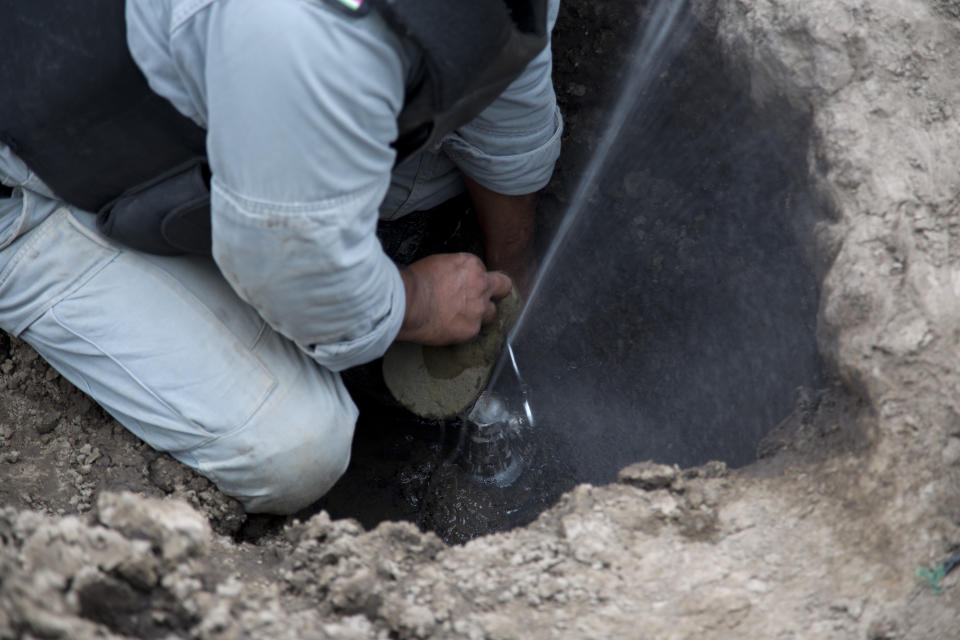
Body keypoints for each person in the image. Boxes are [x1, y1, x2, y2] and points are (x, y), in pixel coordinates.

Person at [0, 0, 562, 514]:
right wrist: (418, 302)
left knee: (395, 153)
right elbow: (292, 264)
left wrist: (513, 263)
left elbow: (507, 67)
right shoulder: (297, 32)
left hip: (161, 100)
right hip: (30, 187)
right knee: (298, 446)